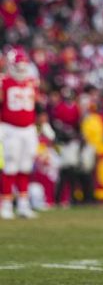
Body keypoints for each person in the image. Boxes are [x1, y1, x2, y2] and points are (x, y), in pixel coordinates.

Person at [0, 49, 40, 219]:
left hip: (29, 129)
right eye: (19, 65)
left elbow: (36, 105)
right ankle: (7, 205)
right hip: (10, 129)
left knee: (25, 167)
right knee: (10, 166)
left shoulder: (31, 82)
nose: (22, 69)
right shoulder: (4, 82)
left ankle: (23, 204)